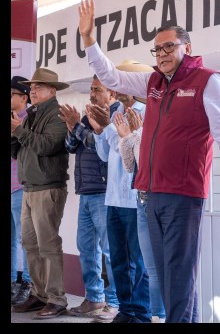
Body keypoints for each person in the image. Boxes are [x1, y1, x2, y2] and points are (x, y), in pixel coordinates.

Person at [79, 0, 220, 323]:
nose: (162, 55)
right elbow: (111, 78)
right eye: (157, 50)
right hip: (148, 198)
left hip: (183, 198)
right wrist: (89, 40)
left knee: (180, 281)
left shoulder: (208, 81)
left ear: (187, 46)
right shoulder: (152, 82)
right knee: (165, 283)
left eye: (169, 47)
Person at [86, 80, 151, 324]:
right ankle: (126, 310)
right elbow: (106, 154)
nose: (117, 89)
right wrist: (100, 130)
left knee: (138, 261)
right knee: (118, 261)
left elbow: (135, 153)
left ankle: (142, 314)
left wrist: (109, 129)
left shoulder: (146, 113)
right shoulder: (116, 114)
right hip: (113, 197)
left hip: (134, 199)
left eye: (122, 84)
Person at [10, 68, 71, 318]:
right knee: (31, 245)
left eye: (38, 87)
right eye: (31, 87)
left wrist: (19, 131)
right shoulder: (32, 115)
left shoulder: (57, 114)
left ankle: (56, 298)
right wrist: (16, 133)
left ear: (52, 91)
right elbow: (19, 151)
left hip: (48, 188)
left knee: (48, 246)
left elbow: (47, 146)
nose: (32, 90)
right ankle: (39, 294)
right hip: (30, 188)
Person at [58, 79, 120, 320]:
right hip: (86, 191)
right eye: (92, 89)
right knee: (87, 248)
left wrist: (78, 127)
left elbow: (100, 147)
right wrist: (71, 126)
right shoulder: (87, 116)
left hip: (105, 193)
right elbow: (71, 147)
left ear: (111, 92)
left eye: (98, 90)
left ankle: (114, 302)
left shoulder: (116, 116)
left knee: (110, 251)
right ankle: (94, 298)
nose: (93, 94)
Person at [10, 77, 33, 307]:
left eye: (12, 94)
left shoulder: (28, 121)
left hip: (20, 187)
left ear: (23, 98)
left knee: (24, 239)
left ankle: (26, 282)